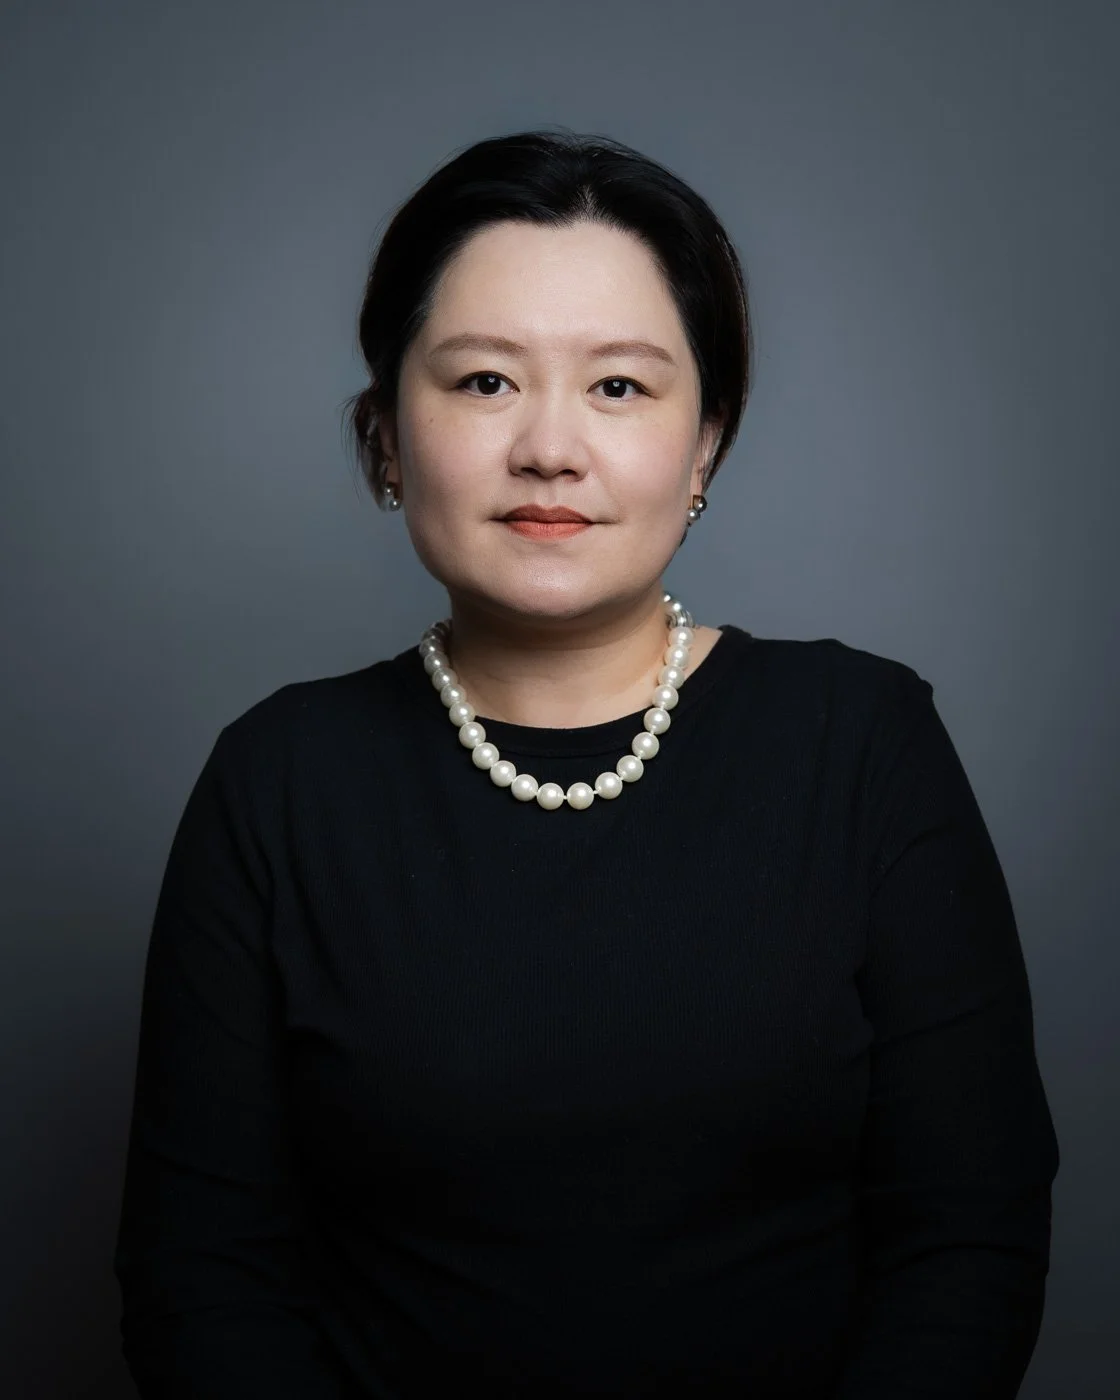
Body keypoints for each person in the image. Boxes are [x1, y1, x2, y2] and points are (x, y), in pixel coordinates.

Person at [113, 128, 1060, 1399]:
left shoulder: (863, 740)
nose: (550, 447)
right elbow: (203, 1273)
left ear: (705, 442)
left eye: (619, 385)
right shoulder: (279, 779)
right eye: (484, 381)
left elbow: (967, 1235)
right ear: (388, 435)